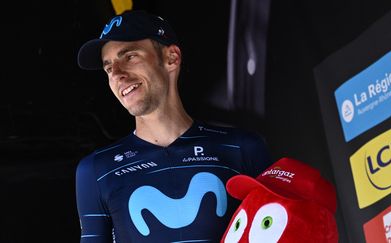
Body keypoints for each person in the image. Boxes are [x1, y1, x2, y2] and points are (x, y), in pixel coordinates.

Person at [75, 9, 272, 242]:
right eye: (108, 68)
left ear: (171, 58)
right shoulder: (95, 169)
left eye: (129, 57)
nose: (117, 74)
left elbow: (280, 230)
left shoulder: (243, 147)